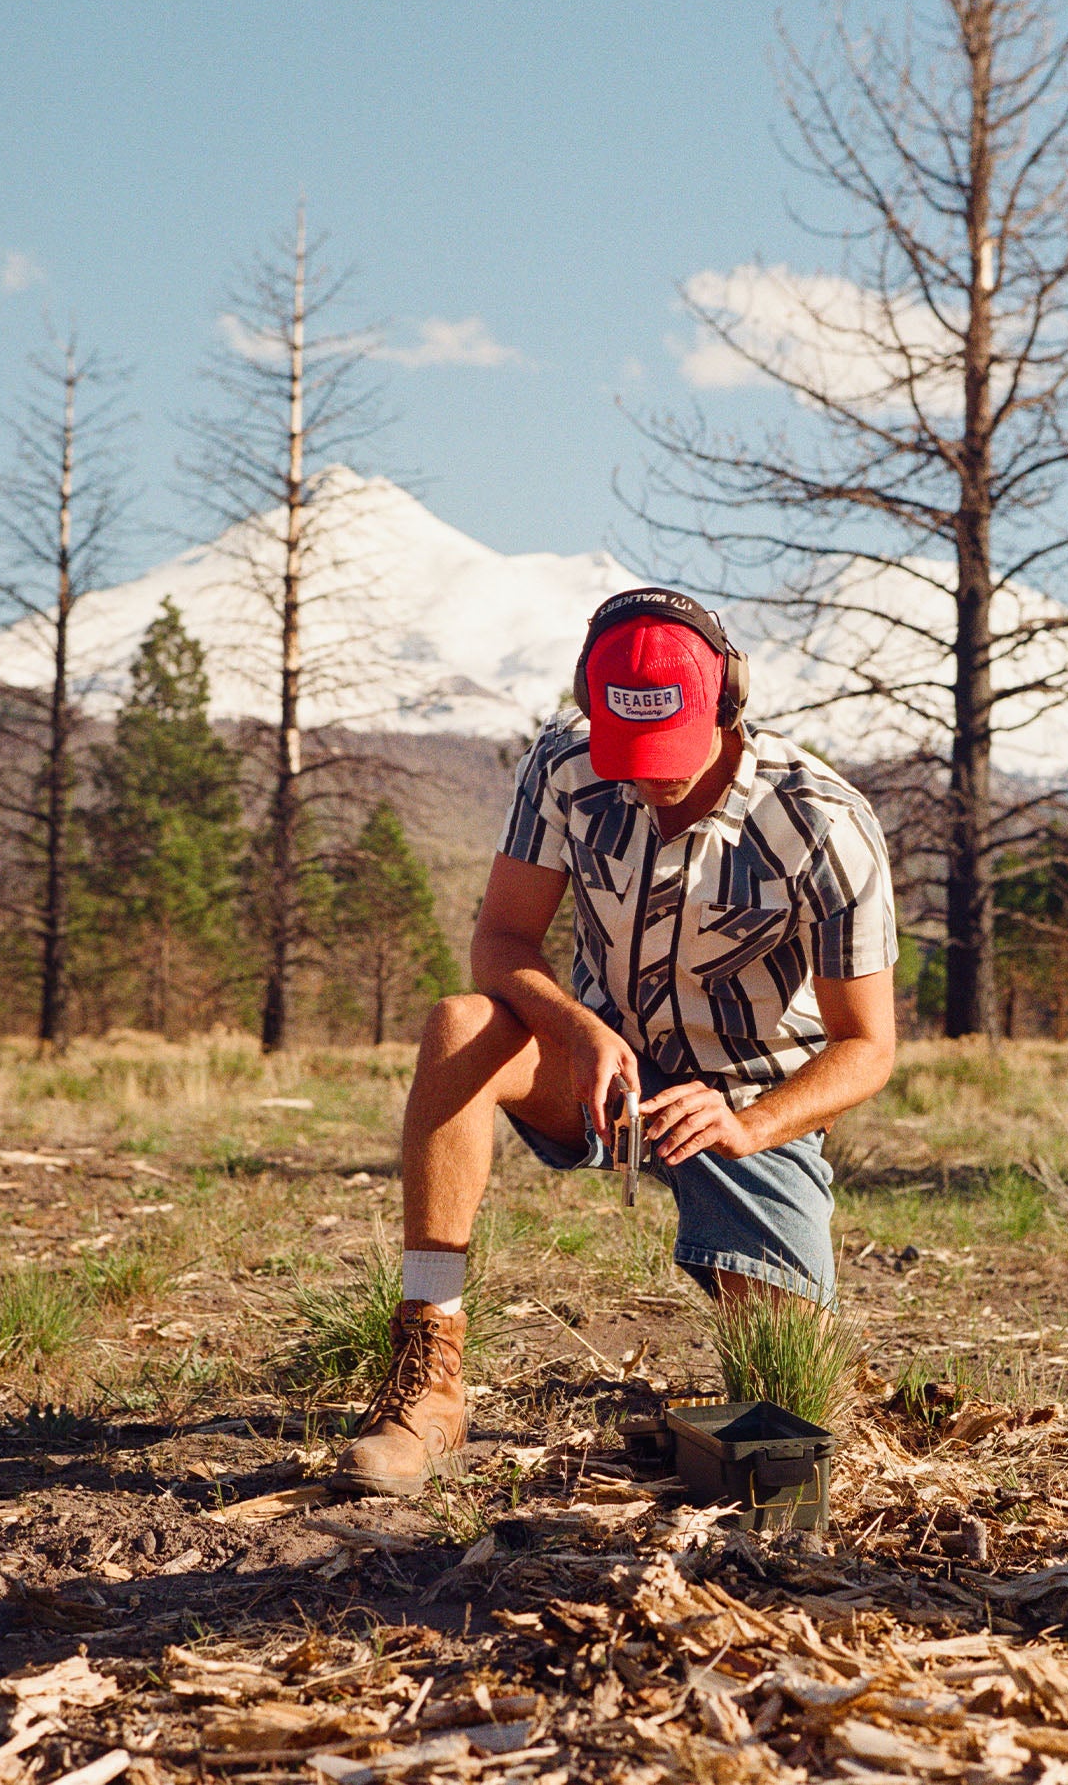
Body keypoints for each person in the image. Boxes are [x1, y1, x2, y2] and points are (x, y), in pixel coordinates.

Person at [329, 588, 897, 1496]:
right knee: (461, 1023)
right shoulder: (560, 765)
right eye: (625, 758)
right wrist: (577, 1027)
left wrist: (747, 1127)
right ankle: (428, 1376)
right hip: (602, 1069)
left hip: (748, 1102)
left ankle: (768, 1346)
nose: (645, 781)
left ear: (729, 702)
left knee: (791, 1402)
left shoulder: (822, 822)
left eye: (668, 758)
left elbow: (867, 1046)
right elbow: (499, 943)